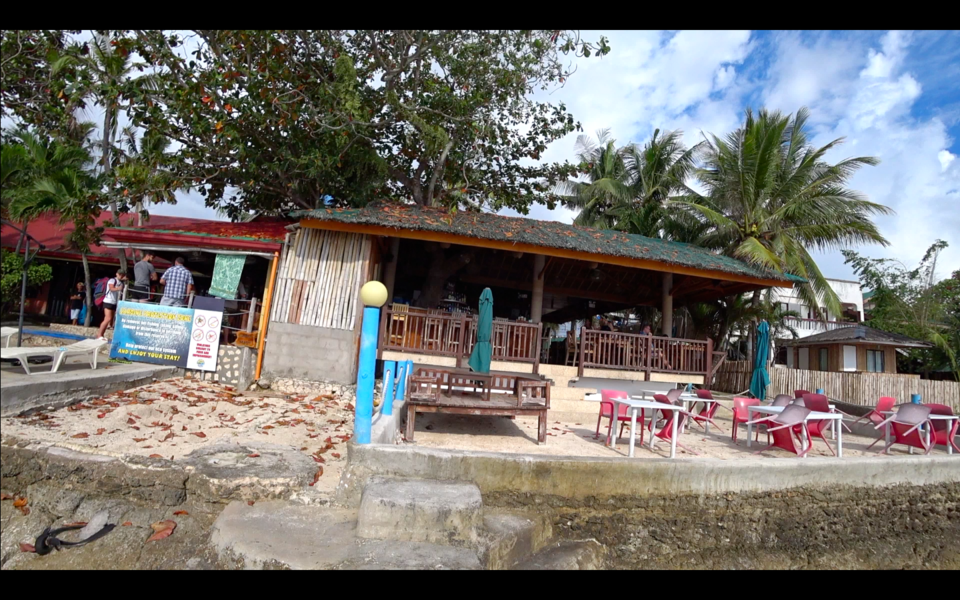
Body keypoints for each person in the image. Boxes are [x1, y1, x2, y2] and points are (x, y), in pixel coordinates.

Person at [97, 270, 127, 340]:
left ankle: (102, 335)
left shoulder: (121, 282)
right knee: (108, 318)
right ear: (116, 274)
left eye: (122, 275)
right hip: (108, 301)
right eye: (120, 274)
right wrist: (118, 288)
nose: (121, 276)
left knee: (110, 320)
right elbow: (111, 288)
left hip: (114, 302)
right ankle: (99, 335)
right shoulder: (112, 280)